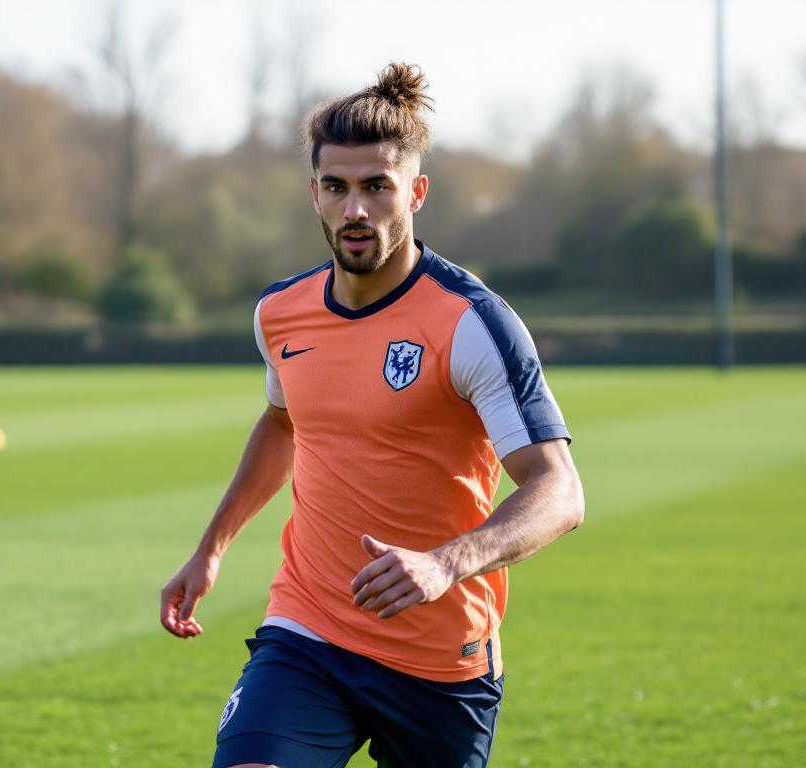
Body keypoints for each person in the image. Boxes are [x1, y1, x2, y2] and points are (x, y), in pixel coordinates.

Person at [159, 62, 585, 768]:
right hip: (309, 631)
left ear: (414, 192)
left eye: (376, 187)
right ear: (315, 195)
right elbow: (285, 423)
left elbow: (560, 489)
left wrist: (448, 563)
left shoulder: (472, 323)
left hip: (440, 658)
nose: (355, 209)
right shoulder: (281, 312)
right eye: (337, 188)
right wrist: (212, 548)